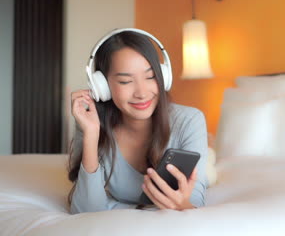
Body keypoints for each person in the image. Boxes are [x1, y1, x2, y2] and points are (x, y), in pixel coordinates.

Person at [67, 29, 208, 214]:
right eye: (125, 81)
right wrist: (92, 134)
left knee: (206, 171)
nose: (141, 93)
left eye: (150, 77)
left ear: (162, 76)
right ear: (101, 86)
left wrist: (182, 204)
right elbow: (84, 211)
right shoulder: (91, 123)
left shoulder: (189, 121)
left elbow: (194, 204)